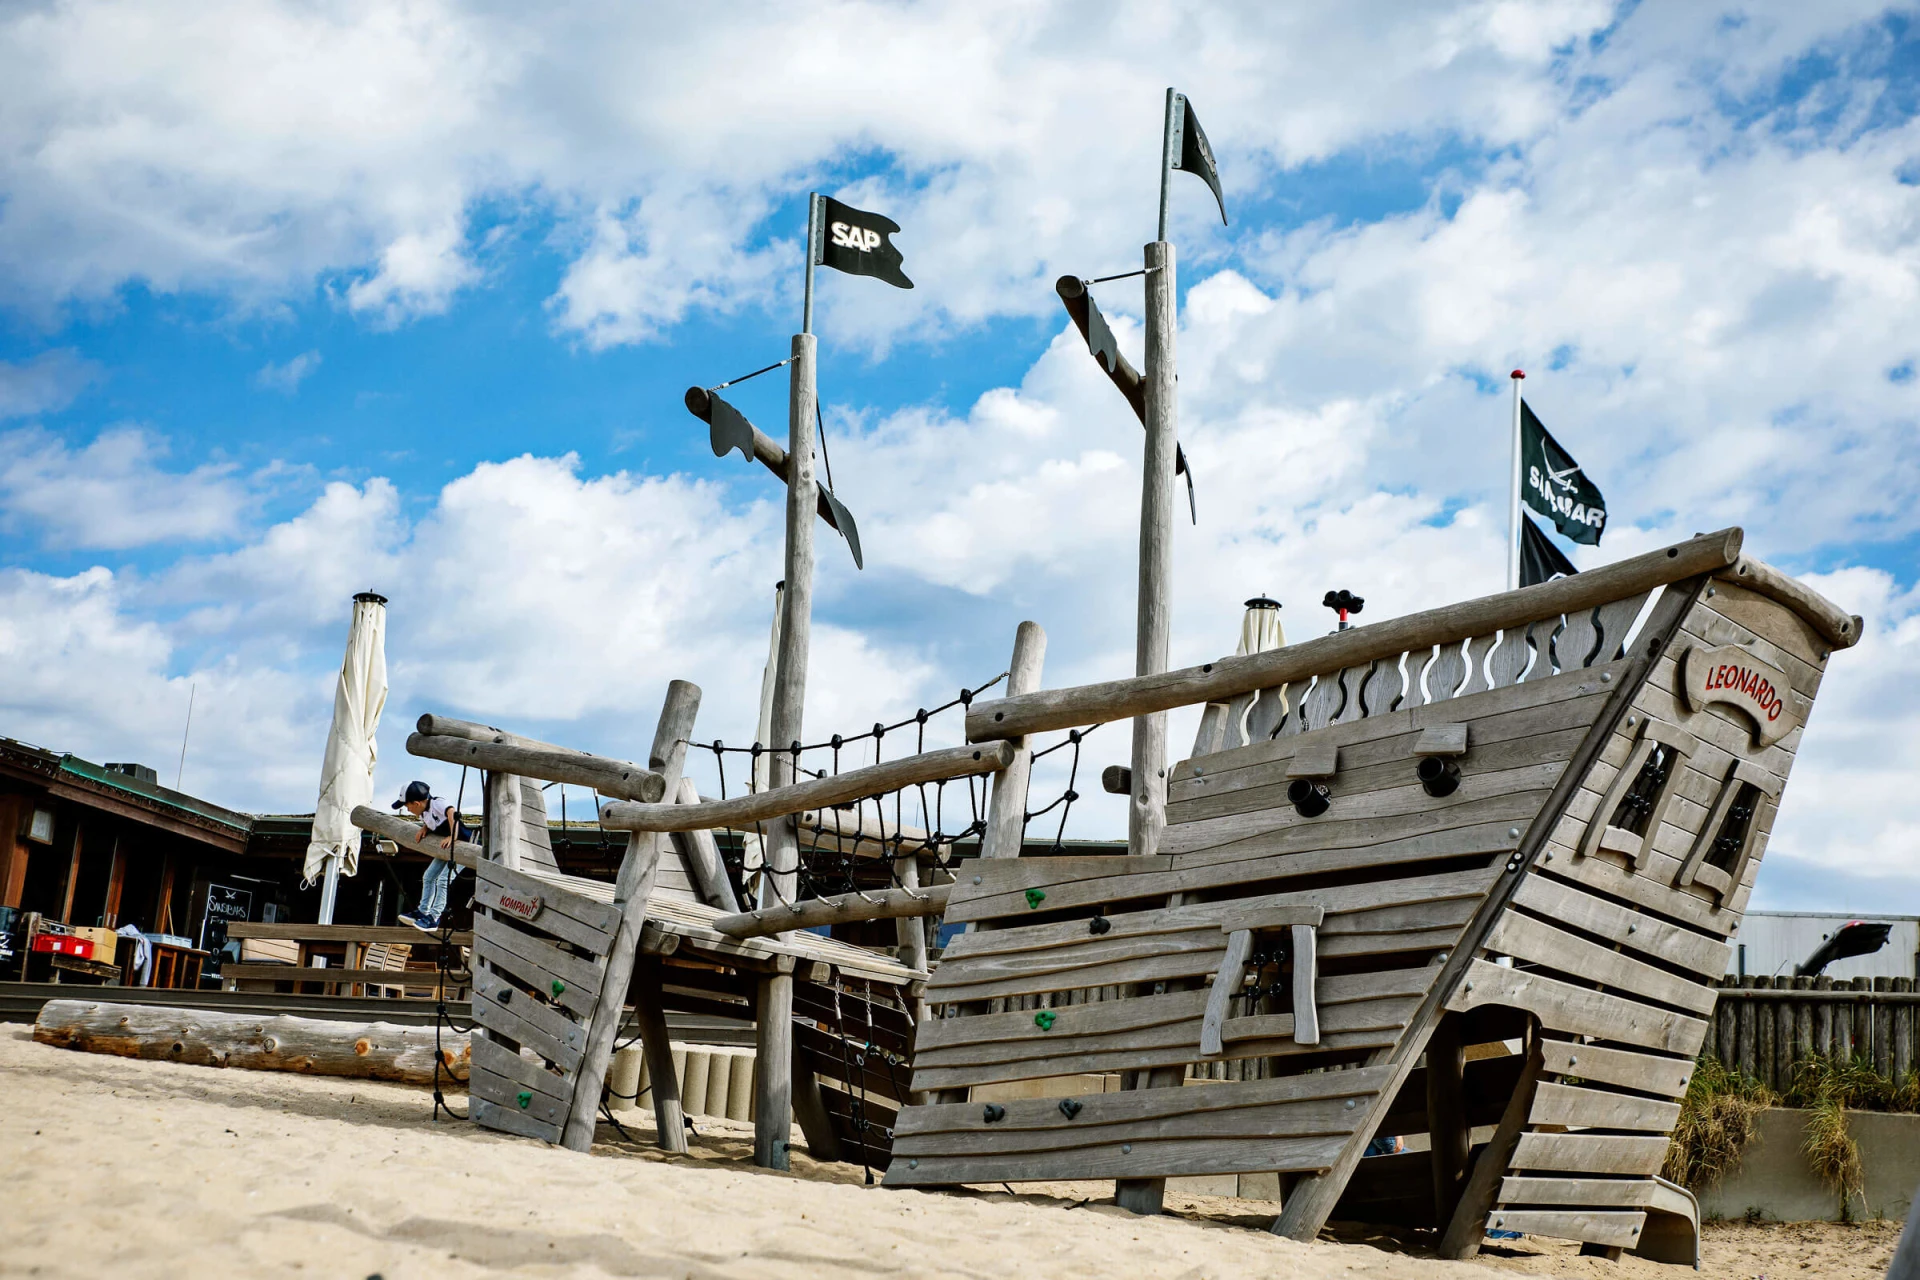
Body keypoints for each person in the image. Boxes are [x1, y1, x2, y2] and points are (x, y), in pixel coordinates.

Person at [393, 781, 470, 932]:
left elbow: (451, 812)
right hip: (447, 849)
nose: (407, 810)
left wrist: (452, 836)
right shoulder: (423, 812)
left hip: (463, 847)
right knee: (428, 876)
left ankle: (435, 917)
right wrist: (425, 828)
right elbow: (434, 820)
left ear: (416, 803)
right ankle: (423, 911)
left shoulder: (437, 803)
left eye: (407, 806)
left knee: (443, 879)